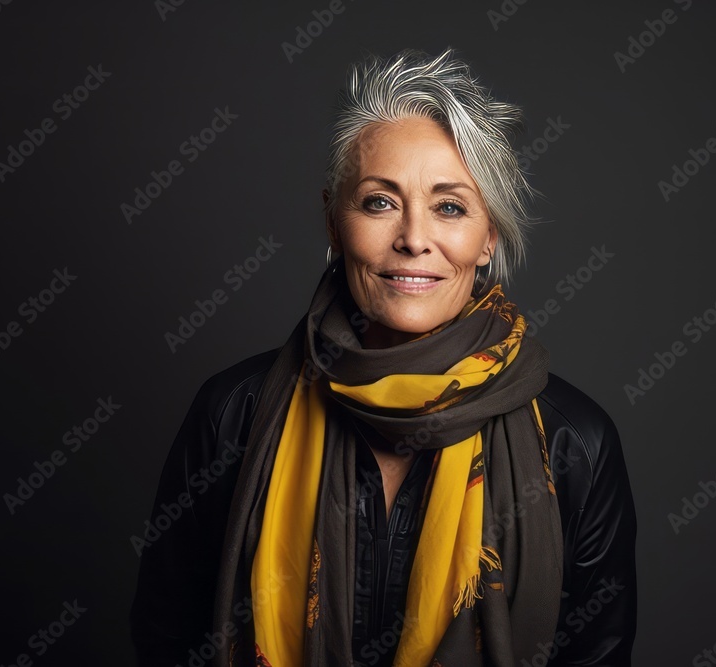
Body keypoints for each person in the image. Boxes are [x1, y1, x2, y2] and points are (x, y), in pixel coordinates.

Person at [130, 47, 637, 666]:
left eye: (450, 207)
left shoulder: (574, 443)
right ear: (333, 222)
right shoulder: (233, 414)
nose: (414, 239)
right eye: (379, 201)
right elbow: (167, 642)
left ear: (489, 238)